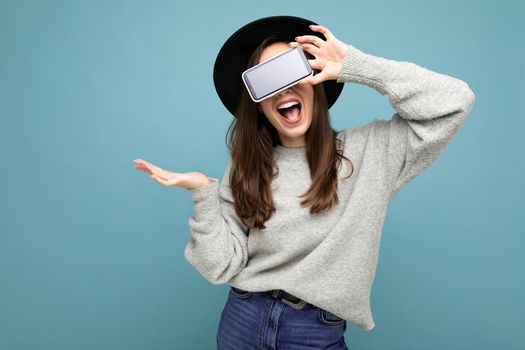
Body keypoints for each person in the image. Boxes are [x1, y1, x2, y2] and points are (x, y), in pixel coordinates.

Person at [133, 15, 475, 350]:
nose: (283, 88)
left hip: (313, 331)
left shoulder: (373, 151)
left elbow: (455, 101)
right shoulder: (248, 167)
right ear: (259, 104)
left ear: (315, 81)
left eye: (291, 71)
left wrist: (356, 65)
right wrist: (202, 194)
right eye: (268, 80)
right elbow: (219, 266)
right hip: (242, 320)